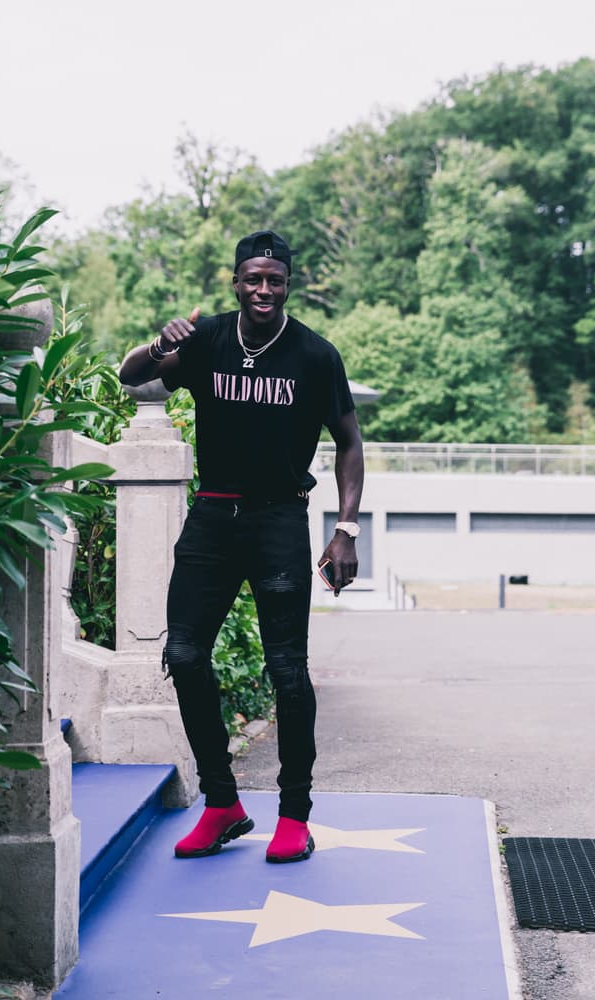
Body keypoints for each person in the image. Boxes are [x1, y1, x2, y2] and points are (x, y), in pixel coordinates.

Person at [119, 230, 364, 863]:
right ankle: (223, 804)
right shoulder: (205, 342)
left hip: (279, 520)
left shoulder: (314, 354)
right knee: (183, 652)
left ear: (288, 284)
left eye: (274, 280)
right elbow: (131, 377)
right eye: (252, 279)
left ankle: (294, 816)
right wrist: (157, 343)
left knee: (287, 669)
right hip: (212, 517)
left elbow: (349, 442)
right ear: (235, 281)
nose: (263, 290)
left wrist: (346, 528)